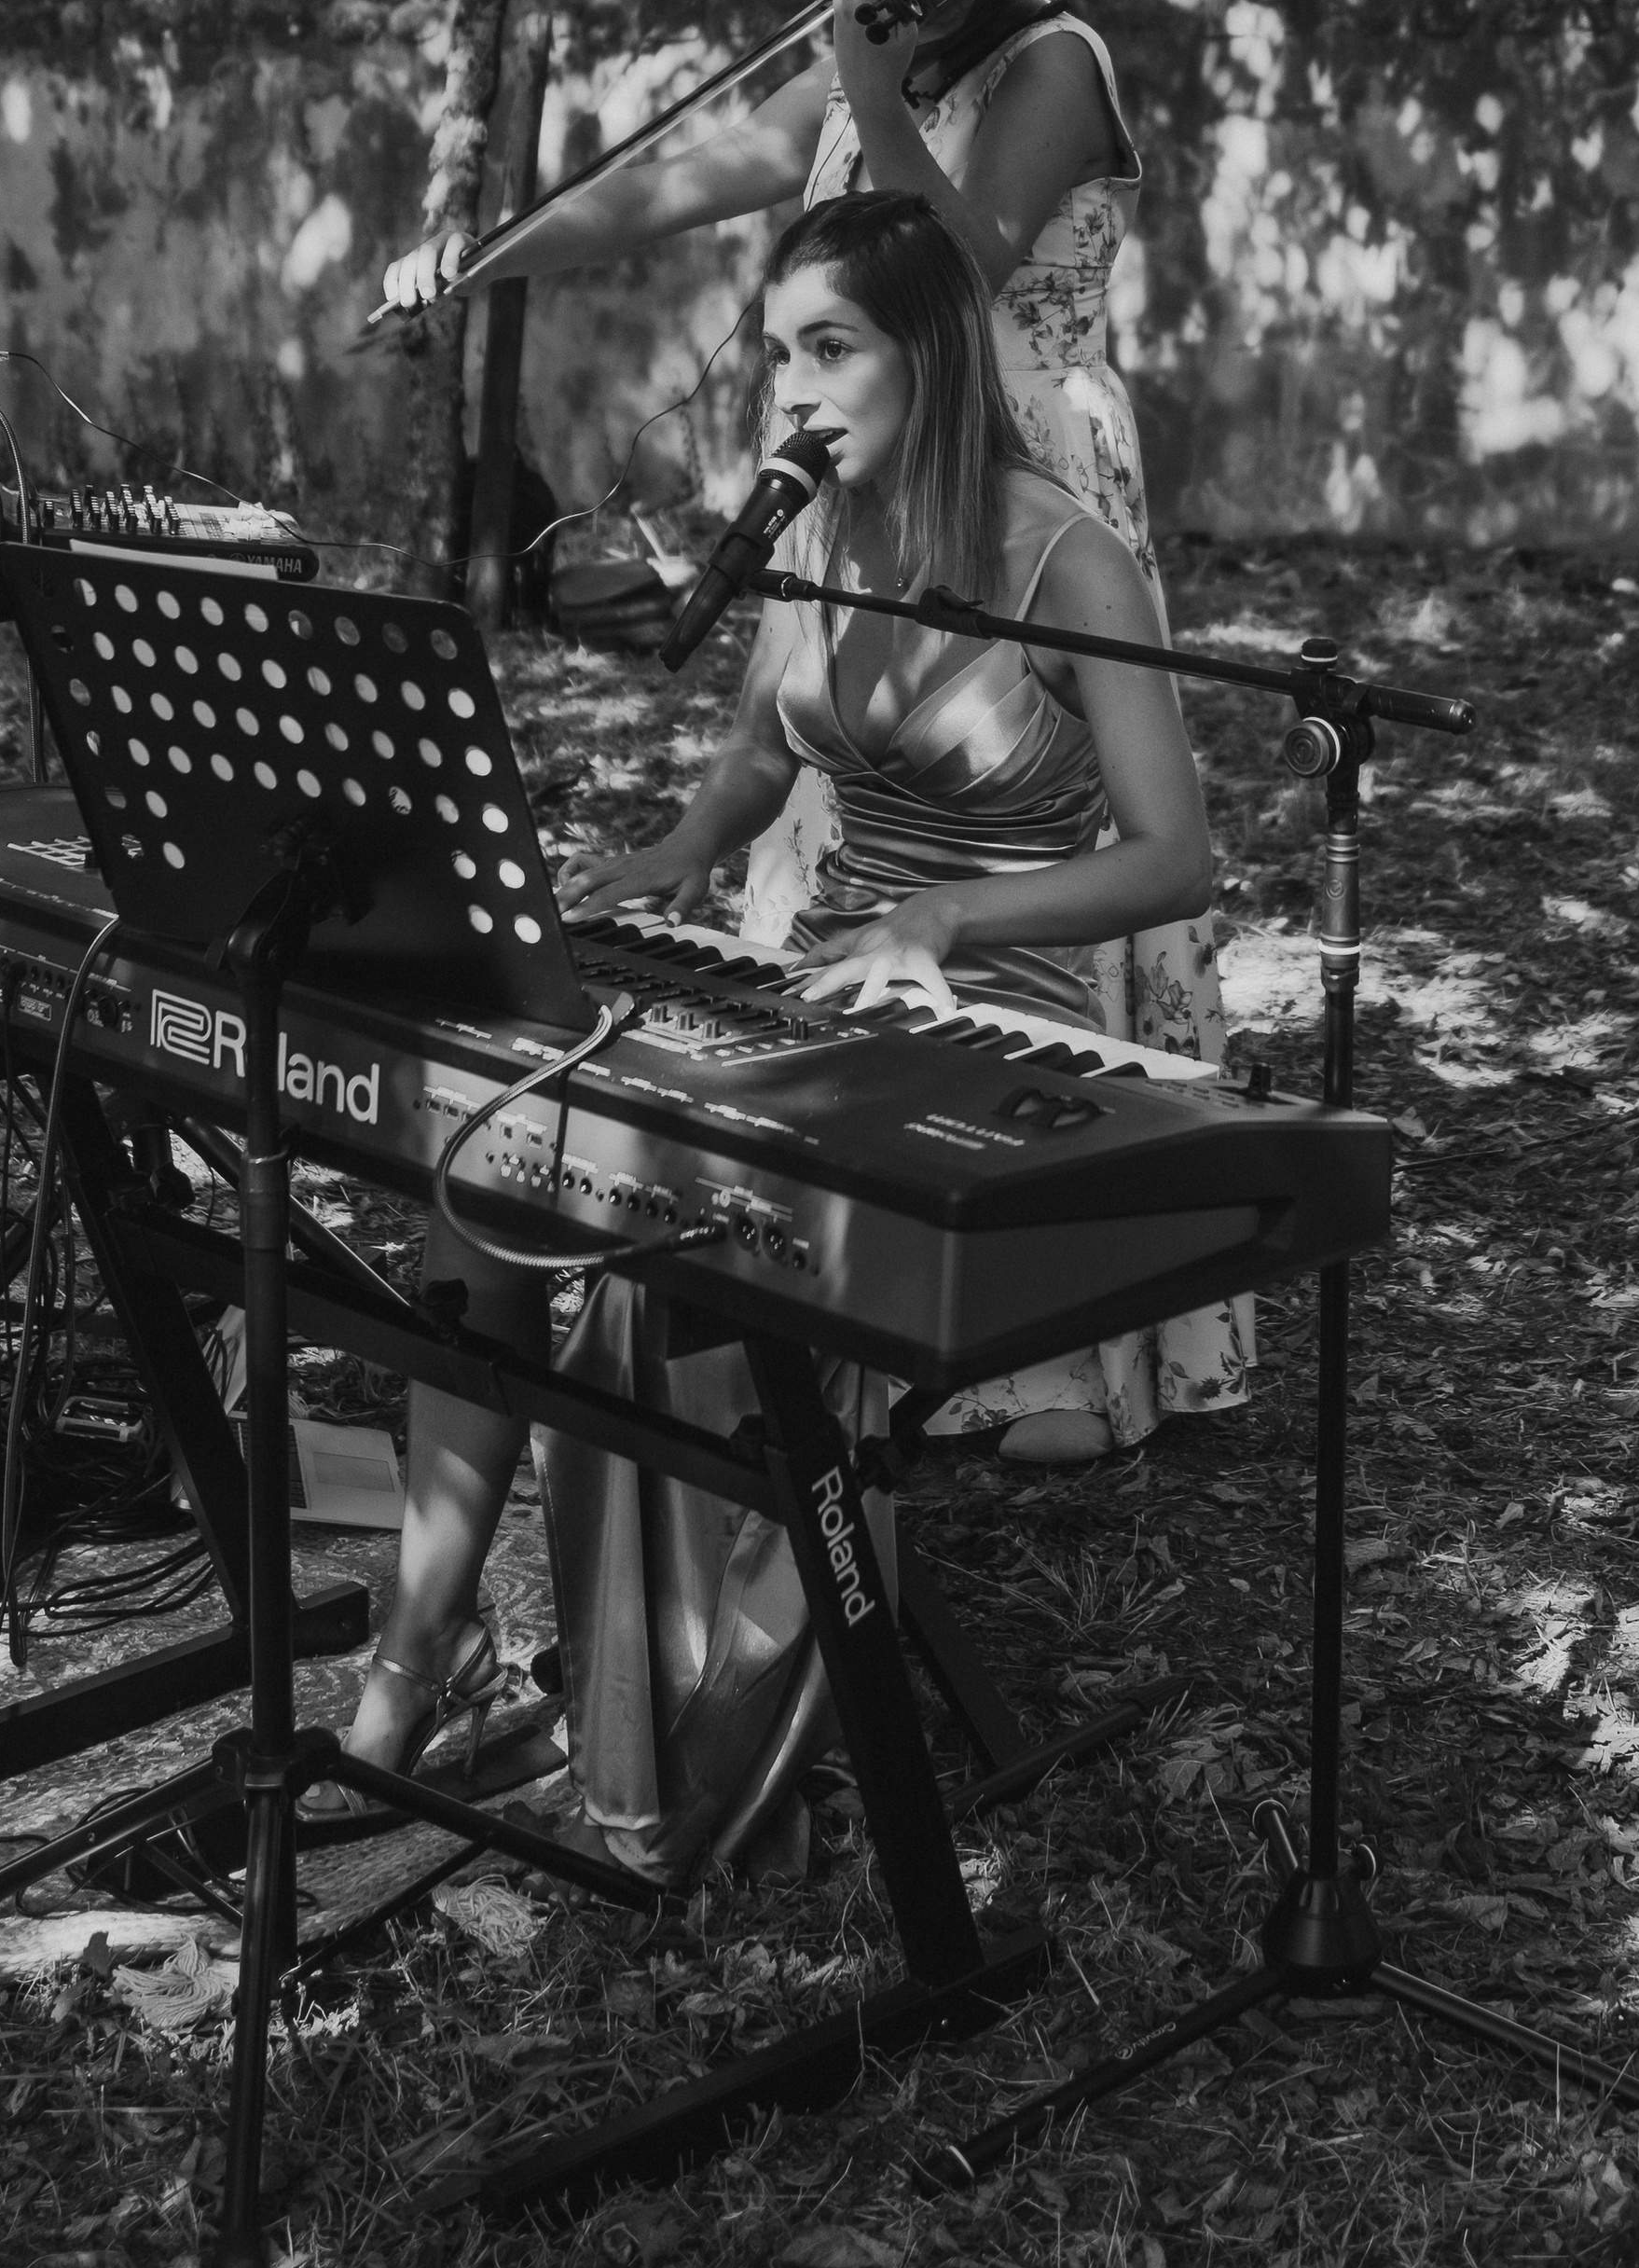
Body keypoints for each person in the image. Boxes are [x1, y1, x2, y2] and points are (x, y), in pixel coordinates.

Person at [381, 0, 1249, 1456]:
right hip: (869, 470)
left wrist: (861, 78)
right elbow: (671, 187)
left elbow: (946, 265)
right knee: (828, 799)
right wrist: (475, 261)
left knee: (1050, 824)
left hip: (1026, 478)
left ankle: (1092, 1318)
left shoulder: (1049, 57)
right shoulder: (878, 50)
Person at [347, 198, 1219, 1872]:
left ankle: (692, 1725)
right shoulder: (813, 538)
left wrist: (951, 921)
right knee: (512, 1169)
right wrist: (676, 850)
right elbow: (761, 756)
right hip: (817, 979)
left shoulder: (1065, 558)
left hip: (987, 1013)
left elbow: (1173, 854)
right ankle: (413, 1662)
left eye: (832, 351)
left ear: (934, 358)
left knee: (656, 1253)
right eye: (777, 356)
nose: (792, 395)